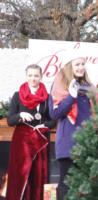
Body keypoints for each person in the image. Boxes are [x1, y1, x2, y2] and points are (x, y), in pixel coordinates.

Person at [48, 49, 94, 200]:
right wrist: (71, 96)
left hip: (86, 142)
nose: (81, 67)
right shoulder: (59, 88)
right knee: (66, 184)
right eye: (77, 64)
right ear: (69, 67)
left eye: (82, 64)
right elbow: (55, 114)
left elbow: (94, 113)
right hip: (68, 143)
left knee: (86, 185)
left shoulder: (89, 88)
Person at [6, 64, 56, 200]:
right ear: (26, 76)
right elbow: (10, 121)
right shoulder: (17, 95)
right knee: (20, 175)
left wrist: (44, 125)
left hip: (40, 142)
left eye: (36, 75)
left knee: (41, 175)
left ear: (41, 77)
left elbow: (53, 121)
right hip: (22, 143)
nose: (33, 78)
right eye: (30, 75)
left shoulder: (47, 97)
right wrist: (20, 115)